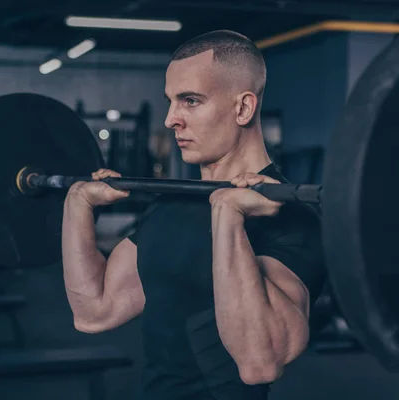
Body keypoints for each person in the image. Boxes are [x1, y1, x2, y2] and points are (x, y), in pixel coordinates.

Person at [62, 30, 326, 400]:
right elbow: (94, 312)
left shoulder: (292, 220)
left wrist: (228, 213)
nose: (171, 119)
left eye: (190, 101)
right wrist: (77, 205)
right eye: (171, 101)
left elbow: (260, 363)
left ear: (243, 108)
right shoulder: (173, 204)